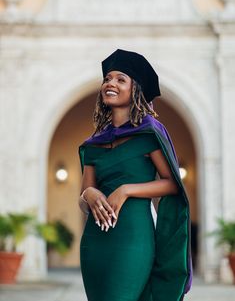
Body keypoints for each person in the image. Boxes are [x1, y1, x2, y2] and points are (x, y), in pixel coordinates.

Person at [78, 49, 192, 301]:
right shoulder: (94, 144)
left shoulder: (149, 133)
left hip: (133, 239)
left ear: (135, 89)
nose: (111, 83)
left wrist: (126, 190)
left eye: (121, 79)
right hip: (94, 242)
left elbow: (173, 184)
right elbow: (83, 198)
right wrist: (90, 193)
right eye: (107, 78)